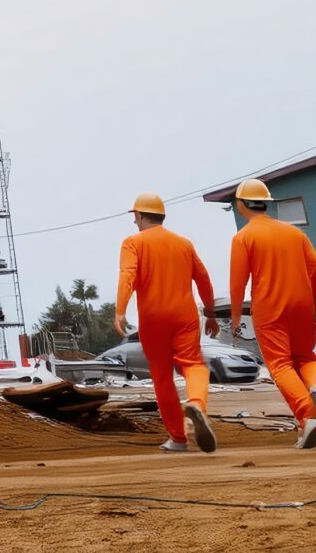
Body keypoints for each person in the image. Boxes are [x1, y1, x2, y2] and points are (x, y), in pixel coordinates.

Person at [227, 178, 316, 449]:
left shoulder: (244, 237)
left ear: (241, 205)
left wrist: (235, 315)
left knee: (280, 364)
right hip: (301, 305)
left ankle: (308, 417)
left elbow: (238, 282)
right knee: (306, 356)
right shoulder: (295, 233)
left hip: (269, 308)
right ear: (266, 203)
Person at [113, 192, 219, 454]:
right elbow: (203, 278)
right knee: (193, 363)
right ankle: (196, 403)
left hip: (153, 317)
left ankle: (179, 438)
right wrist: (211, 312)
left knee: (162, 377)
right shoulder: (184, 243)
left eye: (134, 217)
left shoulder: (132, 243)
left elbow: (128, 275)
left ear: (138, 215)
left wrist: (120, 310)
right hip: (185, 315)